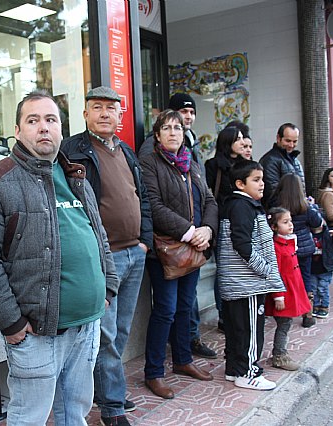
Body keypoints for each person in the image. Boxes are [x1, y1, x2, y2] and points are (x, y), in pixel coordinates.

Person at [0, 90, 119, 425]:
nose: (43, 128)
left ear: (62, 129)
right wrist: (11, 322)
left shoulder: (76, 177)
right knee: (29, 417)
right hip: (37, 332)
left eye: (50, 120)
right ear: (17, 132)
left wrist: (107, 288)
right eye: (33, 120)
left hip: (88, 324)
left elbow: (98, 235)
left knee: (75, 411)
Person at [61, 85, 153, 424]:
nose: (104, 113)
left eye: (110, 108)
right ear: (85, 114)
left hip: (134, 253)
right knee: (107, 335)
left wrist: (145, 241)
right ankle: (113, 409)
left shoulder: (126, 151)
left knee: (121, 331)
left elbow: (141, 196)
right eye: (96, 107)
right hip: (104, 257)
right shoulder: (72, 149)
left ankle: (107, 391)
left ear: (120, 115)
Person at [140, 109, 218, 400]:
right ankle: (154, 372)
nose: (174, 132)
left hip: (194, 248)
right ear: (157, 134)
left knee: (186, 307)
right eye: (167, 128)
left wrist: (207, 230)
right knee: (166, 310)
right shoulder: (148, 163)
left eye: (178, 127)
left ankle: (183, 359)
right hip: (167, 251)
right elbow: (154, 206)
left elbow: (209, 199)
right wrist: (190, 231)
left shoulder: (192, 163)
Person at [217, 160, 284, 390]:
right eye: (256, 180)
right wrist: (265, 269)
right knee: (250, 329)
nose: (262, 184)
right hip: (246, 283)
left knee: (238, 328)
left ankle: (234, 369)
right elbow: (242, 244)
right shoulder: (242, 206)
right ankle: (249, 372)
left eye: (262, 179)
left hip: (239, 282)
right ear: (240, 183)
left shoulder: (239, 204)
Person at [205, 126, 250, 331]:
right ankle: (224, 315)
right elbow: (209, 198)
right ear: (228, 142)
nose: (243, 142)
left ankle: (239, 311)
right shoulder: (214, 165)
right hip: (223, 223)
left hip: (243, 223)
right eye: (238, 139)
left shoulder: (246, 165)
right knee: (223, 271)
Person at [273, 173, 323, 328]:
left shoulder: (276, 204)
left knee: (285, 277)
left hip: (283, 247)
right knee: (305, 279)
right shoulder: (305, 206)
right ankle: (307, 313)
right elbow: (317, 222)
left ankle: (285, 308)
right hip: (304, 248)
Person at [265, 207, 312, 370]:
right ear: (274, 227)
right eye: (285, 222)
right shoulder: (275, 247)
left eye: (290, 221)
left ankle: (280, 353)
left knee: (287, 323)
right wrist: (278, 295)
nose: (290, 225)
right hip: (284, 292)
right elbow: (274, 272)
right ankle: (279, 355)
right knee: (284, 324)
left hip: (293, 289)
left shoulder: (289, 241)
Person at [259, 123, 305, 208]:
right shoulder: (270, 160)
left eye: (294, 141)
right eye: (288, 141)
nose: (291, 145)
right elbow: (272, 194)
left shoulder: (295, 160)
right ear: (278, 138)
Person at [309, 224, 333, 319]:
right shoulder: (307, 233)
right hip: (312, 267)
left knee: (323, 288)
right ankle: (315, 305)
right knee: (313, 288)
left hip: (325, 267)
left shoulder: (328, 233)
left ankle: (324, 306)